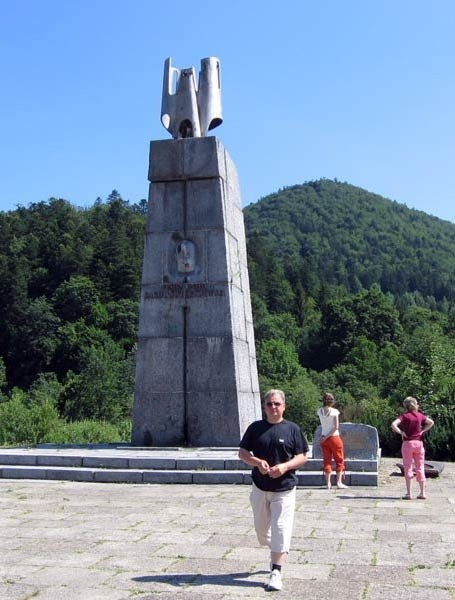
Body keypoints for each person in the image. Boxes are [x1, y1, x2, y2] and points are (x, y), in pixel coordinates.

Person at [239, 389, 309, 592]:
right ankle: (279, 548)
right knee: (262, 533)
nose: (273, 407)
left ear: (284, 406)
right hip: (260, 487)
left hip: (284, 488)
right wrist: (257, 462)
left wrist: (285, 467)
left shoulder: (293, 429)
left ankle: (276, 570)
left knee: (280, 528)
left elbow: (303, 456)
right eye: (269, 404)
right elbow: (242, 453)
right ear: (264, 407)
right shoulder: (255, 428)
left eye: (277, 403)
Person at [391, 396, 434, 500]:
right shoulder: (420, 416)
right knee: (420, 467)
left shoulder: (404, 416)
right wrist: (423, 430)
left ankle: (409, 493)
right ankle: (422, 492)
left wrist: (401, 432)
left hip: (408, 444)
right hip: (419, 444)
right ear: (415, 404)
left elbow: (393, 424)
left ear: (405, 406)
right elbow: (431, 422)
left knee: (408, 467)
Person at [317, 392, 348, 489]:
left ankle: (328, 483)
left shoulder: (319, 411)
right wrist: (327, 436)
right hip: (334, 437)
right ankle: (339, 483)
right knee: (339, 459)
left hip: (323, 437)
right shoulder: (335, 411)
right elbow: (335, 427)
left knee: (327, 460)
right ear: (332, 401)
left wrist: (324, 437)